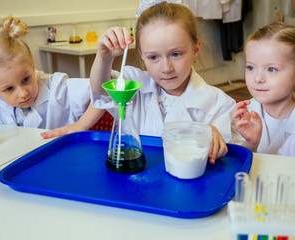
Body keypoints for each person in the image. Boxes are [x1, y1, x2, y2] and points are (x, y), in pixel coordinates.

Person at [90, 1, 237, 164]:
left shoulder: (220, 105)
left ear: (195, 50)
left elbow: (222, 162)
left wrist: (208, 137)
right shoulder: (133, 84)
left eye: (176, 54)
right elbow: (101, 91)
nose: (166, 68)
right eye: (153, 57)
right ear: (141, 55)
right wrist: (104, 57)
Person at [0, 16, 104, 142]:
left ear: (32, 66)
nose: (23, 93)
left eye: (26, 79)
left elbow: (105, 90)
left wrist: (80, 125)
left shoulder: (56, 87)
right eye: (9, 89)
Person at [233, 22, 295, 155]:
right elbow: (236, 164)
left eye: (271, 69)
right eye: (250, 67)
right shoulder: (242, 116)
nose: (257, 79)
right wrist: (251, 143)